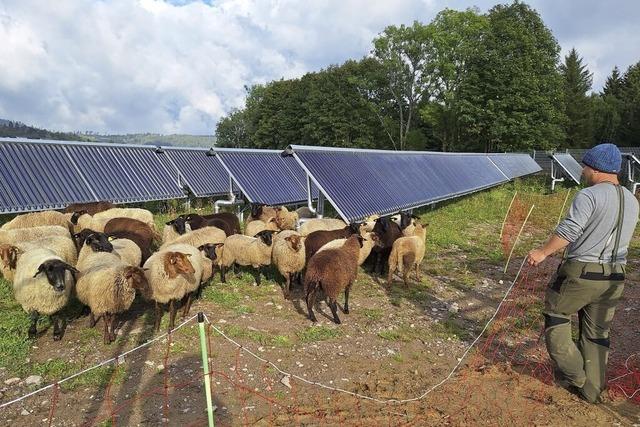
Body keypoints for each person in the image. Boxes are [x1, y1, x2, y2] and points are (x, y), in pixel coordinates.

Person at [527, 143, 639, 403]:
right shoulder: (632, 200)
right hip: (615, 276)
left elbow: (569, 231)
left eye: (585, 166)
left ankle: (577, 379)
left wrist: (543, 252)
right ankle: (594, 389)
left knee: (556, 315)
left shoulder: (589, 196)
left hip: (582, 272)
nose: (583, 171)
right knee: (597, 333)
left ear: (596, 168)